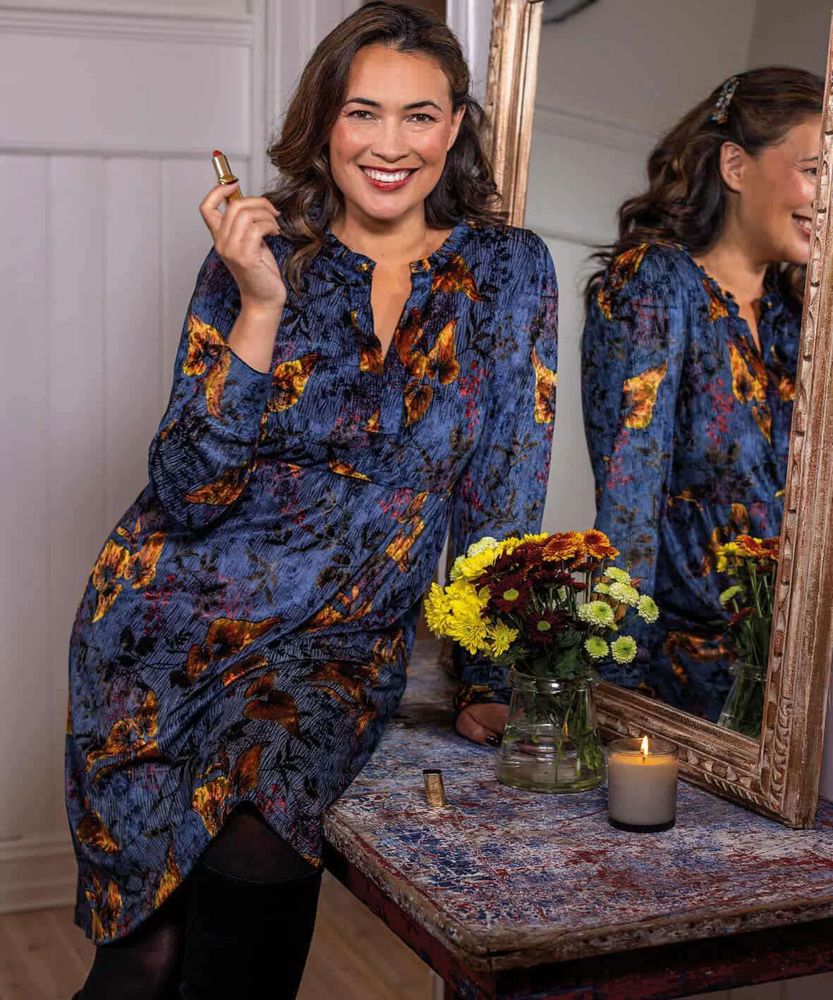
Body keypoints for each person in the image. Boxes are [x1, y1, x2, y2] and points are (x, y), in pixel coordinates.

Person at [66, 2, 558, 997]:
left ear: (454, 127)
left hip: (332, 646)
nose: (389, 145)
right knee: (143, 960)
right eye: (361, 112)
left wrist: (487, 677)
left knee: (259, 842)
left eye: (418, 116)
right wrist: (258, 303)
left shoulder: (507, 271)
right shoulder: (257, 257)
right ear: (323, 121)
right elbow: (187, 488)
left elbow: (505, 486)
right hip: (157, 632)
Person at [581, 67, 822, 720]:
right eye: (813, 171)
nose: (826, 199)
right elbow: (629, 504)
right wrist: (612, 691)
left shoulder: (796, 317)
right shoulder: (655, 286)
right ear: (736, 166)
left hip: (786, 689)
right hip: (671, 680)